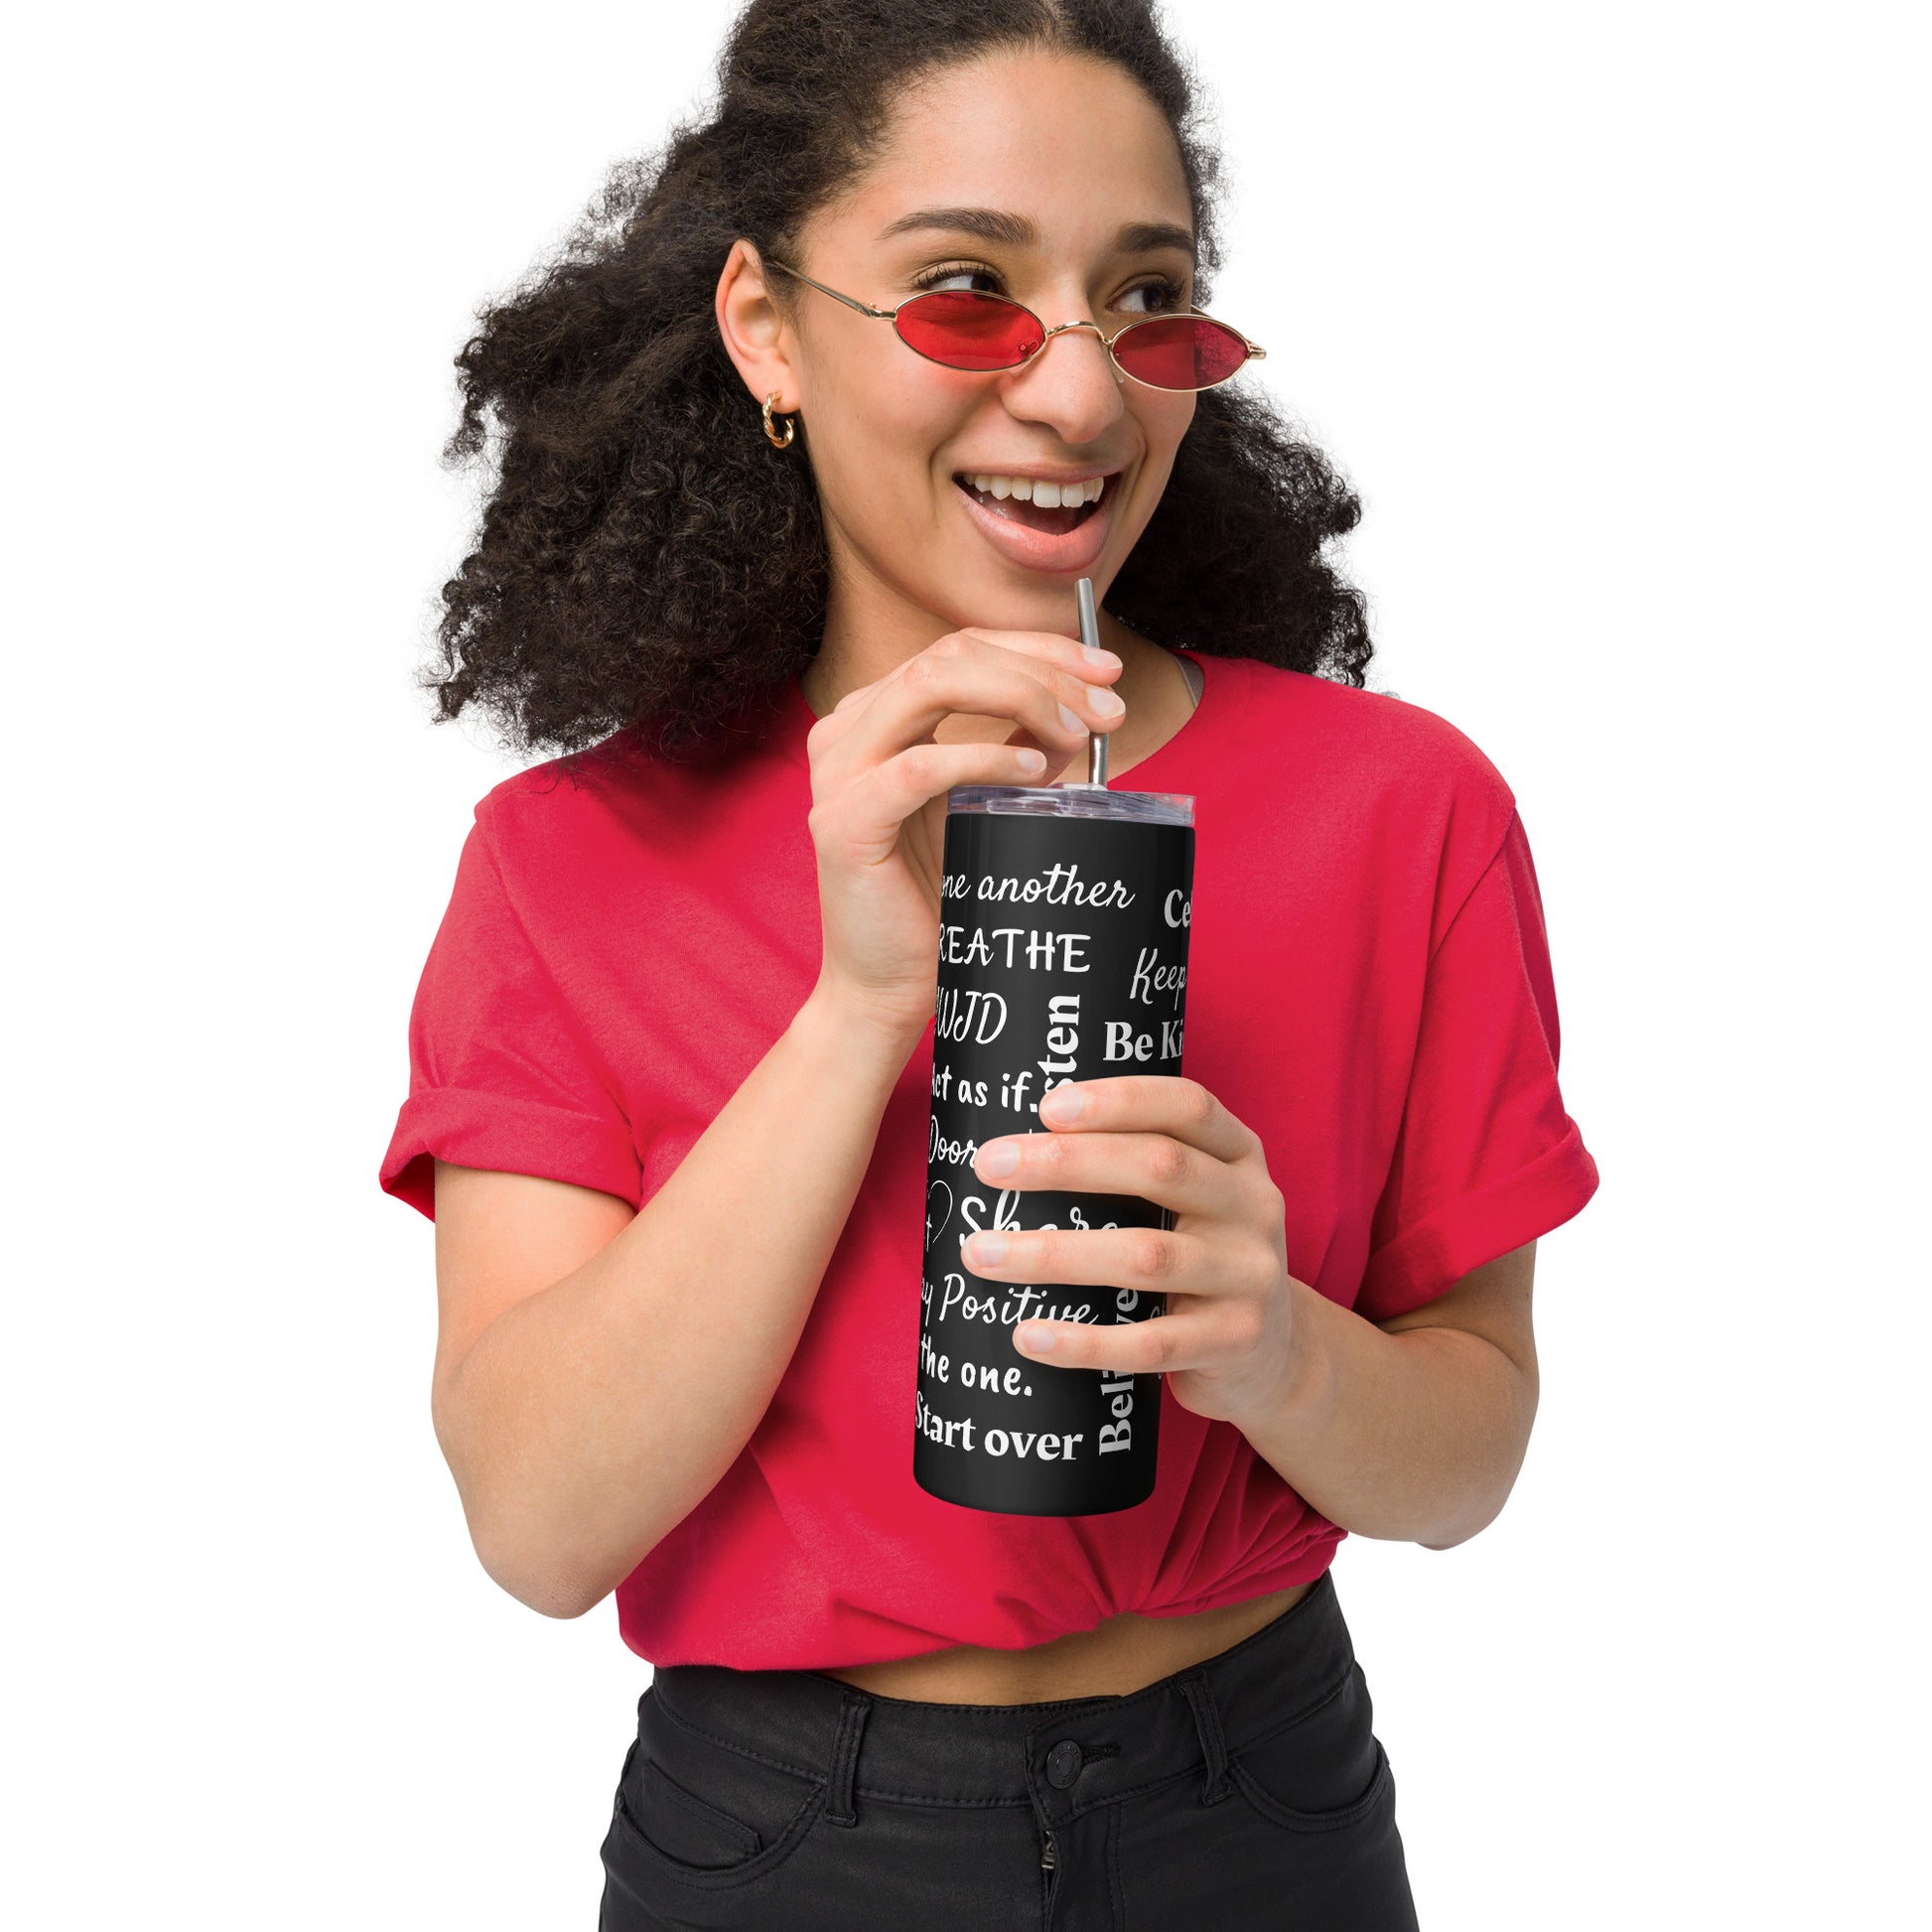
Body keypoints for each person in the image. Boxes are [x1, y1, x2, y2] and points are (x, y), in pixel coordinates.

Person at [378, 1, 1600, 1923]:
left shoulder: (1405, 813)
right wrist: (864, 1004)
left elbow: (1473, 1449)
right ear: (768, 329)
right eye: (966, 294)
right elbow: (535, 1522)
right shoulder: (566, 865)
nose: (1082, 397)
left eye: (1146, 303)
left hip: (1259, 1798)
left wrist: (1281, 1348)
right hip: (786, 1832)